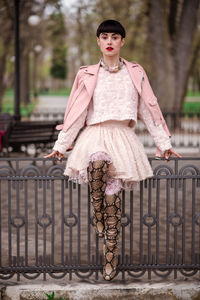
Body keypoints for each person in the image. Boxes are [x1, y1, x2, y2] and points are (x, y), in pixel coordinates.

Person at [44, 19, 182, 281]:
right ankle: (97, 216)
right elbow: (77, 112)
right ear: (98, 41)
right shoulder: (85, 74)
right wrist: (61, 146)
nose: (109, 41)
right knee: (96, 165)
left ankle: (110, 254)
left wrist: (164, 144)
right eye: (104, 37)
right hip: (94, 135)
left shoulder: (136, 72)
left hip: (123, 138)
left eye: (115, 37)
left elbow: (148, 111)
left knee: (113, 200)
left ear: (122, 41)